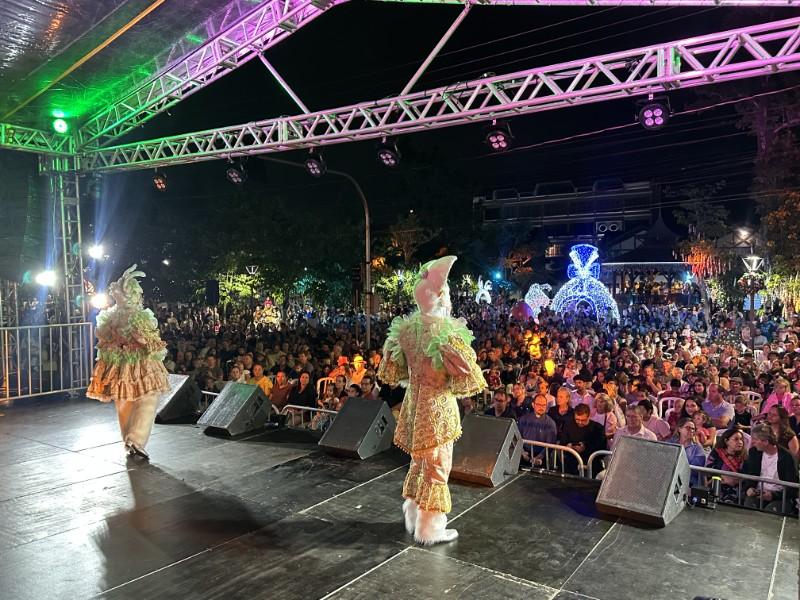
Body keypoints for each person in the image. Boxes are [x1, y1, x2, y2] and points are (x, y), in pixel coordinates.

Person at [377, 256, 485, 545]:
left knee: (418, 462)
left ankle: (412, 512)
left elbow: (393, 368)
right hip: (437, 408)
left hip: (413, 404)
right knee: (438, 465)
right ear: (440, 296)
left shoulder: (405, 330)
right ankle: (430, 528)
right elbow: (466, 373)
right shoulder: (445, 332)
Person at [86, 265, 170, 459]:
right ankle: (135, 440)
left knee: (124, 401)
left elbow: (104, 340)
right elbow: (151, 343)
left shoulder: (111, 315)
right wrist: (138, 341)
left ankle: (130, 440)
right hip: (139, 363)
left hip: (119, 363)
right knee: (146, 398)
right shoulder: (136, 315)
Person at [743, 424, 799, 514]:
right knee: (749, 508)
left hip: (780, 496)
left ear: (765, 442)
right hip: (757, 492)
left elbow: (792, 487)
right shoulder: (754, 452)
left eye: (755, 440)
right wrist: (749, 488)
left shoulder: (787, 457)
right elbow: (749, 474)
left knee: (770, 512)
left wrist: (773, 495)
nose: (752, 442)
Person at [559, 403, 606, 475]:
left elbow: (602, 448)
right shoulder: (568, 425)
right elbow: (562, 442)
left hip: (592, 464)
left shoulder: (598, 428)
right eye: (577, 419)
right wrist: (568, 446)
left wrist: (585, 447)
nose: (580, 422)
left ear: (589, 416)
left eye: (583, 420)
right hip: (571, 463)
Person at [706, 427, 748, 504]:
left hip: (737, 487)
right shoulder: (716, 452)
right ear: (726, 441)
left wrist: (735, 480)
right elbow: (709, 468)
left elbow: (746, 474)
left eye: (741, 439)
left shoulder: (744, 456)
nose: (740, 442)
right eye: (736, 439)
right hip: (718, 483)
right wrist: (723, 476)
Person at [518, 394, 557, 467]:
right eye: (539, 404)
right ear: (533, 405)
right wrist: (522, 452)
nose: (541, 407)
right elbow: (517, 437)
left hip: (542, 457)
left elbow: (550, 444)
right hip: (524, 453)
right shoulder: (523, 419)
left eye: (544, 405)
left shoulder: (550, 423)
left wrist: (540, 457)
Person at [671, 417, 707, 485]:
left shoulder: (698, 449)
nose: (691, 430)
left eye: (693, 429)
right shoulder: (671, 443)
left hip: (689, 482)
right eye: (688, 428)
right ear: (679, 429)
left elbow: (694, 470)